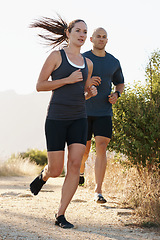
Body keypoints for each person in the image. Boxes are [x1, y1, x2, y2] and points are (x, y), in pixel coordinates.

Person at [29, 15, 97, 229]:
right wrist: (67, 80)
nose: (82, 35)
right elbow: (40, 85)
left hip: (79, 118)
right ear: (68, 33)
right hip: (57, 119)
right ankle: (45, 174)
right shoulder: (56, 57)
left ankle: (60, 214)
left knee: (75, 165)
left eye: (85, 32)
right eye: (78, 31)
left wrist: (90, 92)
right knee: (57, 169)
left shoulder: (88, 63)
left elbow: (81, 93)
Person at [79, 27, 124, 204]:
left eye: (104, 37)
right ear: (91, 39)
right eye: (98, 36)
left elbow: (119, 83)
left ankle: (98, 190)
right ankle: (81, 170)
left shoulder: (114, 61)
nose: (101, 39)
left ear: (107, 40)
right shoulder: (83, 58)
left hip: (104, 111)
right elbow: (74, 80)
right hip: (83, 110)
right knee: (84, 150)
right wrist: (87, 83)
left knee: (102, 147)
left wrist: (116, 95)